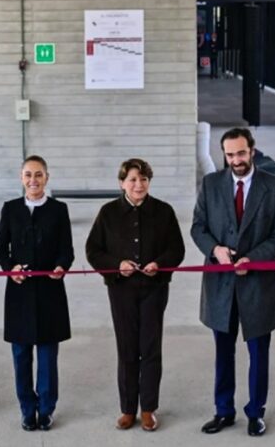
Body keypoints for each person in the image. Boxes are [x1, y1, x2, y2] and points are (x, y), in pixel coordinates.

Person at [191, 127, 275, 437]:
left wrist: (254, 259)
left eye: (241, 153)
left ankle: (255, 412)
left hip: (258, 284)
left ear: (252, 150)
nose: (236, 159)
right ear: (224, 154)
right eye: (230, 154)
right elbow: (198, 228)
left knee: (258, 353)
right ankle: (224, 411)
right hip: (220, 286)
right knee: (224, 352)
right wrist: (215, 250)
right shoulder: (210, 185)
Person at [86, 158, 185, 432]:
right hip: (121, 290)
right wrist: (117, 266)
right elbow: (93, 251)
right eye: (132, 179)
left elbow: (177, 249)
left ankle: (148, 409)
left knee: (150, 348)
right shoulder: (108, 213)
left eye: (143, 179)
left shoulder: (164, 211)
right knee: (127, 349)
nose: (138, 184)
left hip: (154, 289)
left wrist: (159, 264)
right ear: (121, 183)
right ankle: (128, 409)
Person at [0, 155, 74, 432]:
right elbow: (0, 246)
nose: (33, 180)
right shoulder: (11, 209)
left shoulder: (59, 209)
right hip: (19, 292)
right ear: (21, 178)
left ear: (47, 178)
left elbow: (67, 248)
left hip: (50, 290)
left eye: (38, 175)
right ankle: (27, 409)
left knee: (48, 356)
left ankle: (46, 409)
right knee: (21, 354)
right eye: (28, 175)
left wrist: (62, 266)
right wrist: (9, 268)